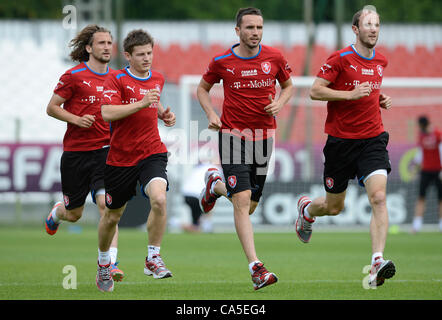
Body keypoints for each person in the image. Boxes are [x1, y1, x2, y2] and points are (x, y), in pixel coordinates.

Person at [296, 6, 395, 288]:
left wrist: (379, 99)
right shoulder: (339, 59)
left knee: (378, 197)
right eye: (368, 24)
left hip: (373, 139)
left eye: (377, 24)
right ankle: (306, 210)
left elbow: (369, 90)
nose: (373, 29)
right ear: (356, 29)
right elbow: (316, 90)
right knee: (334, 207)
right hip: (340, 143)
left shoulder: (381, 61)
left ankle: (377, 261)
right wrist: (350, 95)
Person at [197, 7, 294, 290]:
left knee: (249, 205)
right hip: (232, 136)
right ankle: (256, 267)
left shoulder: (274, 57)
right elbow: (202, 89)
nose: (255, 33)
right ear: (237, 31)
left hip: (264, 137)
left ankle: (214, 186)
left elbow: (288, 87)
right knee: (241, 200)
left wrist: (280, 102)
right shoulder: (222, 61)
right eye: (250, 27)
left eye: (259, 28)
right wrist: (211, 114)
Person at [96, 29, 176, 292]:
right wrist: (141, 104)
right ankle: (104, 262)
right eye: (140, 54)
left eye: (150, 53)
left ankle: (153, 257)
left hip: (152, 152)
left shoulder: (158, 78)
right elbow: (107, 113)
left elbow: (154, 101)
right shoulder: (116, 80)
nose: (147, 59)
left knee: (159, 198)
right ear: (128, 56)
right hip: (120, 159)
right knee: (111, 217)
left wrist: (163, 113)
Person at [44, 25, 124, 282]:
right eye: (101, 43)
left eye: (109, 43)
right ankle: (58, 212)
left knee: (107, 206)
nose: (106, 47)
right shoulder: (73, 76)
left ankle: (110, 263)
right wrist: (77, 120)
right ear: (89, 48)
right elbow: (52, 108)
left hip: (105, 151)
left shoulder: (117, 78)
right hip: (76, 154)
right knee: (74, 214)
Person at [412, 115, 442, 233]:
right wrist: (415, 166)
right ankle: (416, 225)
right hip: (426, 171)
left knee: (441, 198)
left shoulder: (437, 134)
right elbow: (420, 153)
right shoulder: (421, 135)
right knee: (421, 197)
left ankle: (441, 225)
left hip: (438, 171)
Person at [180, 162, 216, 233]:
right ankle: (204, 226)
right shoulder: (214, 169)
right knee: (210, 204)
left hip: (186, 193)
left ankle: (194, 225)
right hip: (196, 194)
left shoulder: (199, 168)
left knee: (196, 216)